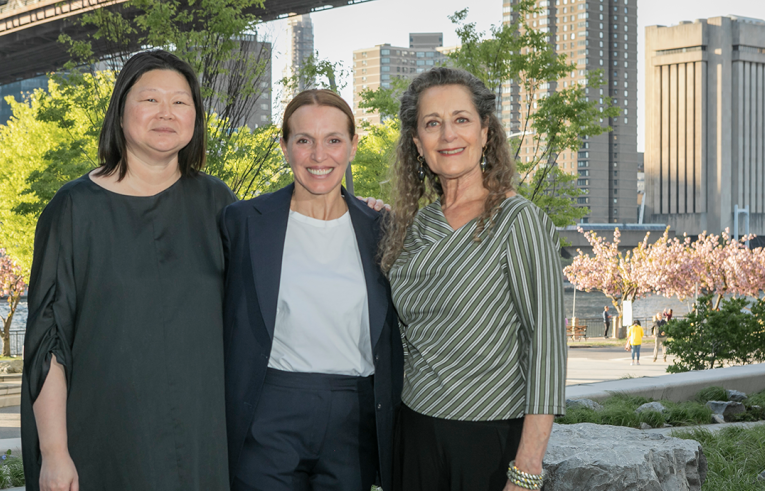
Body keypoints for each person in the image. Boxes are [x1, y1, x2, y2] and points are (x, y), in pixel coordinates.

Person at [21, 50, 237, 491]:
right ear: (120, 112)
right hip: (104, 441)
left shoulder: (219, 204)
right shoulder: (74, 208)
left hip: (204, 442)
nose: (166, 113)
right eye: (150, 100)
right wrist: (55, 454)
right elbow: (49, 343)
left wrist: (358, 212)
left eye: (181, 102)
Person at [381, 67, 566, 491]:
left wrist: (527, 468)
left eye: (461, 119)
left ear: (486, 132)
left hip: (490, 439)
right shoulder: (412, 226)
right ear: (417, 143)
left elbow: (547, 348)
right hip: (414, 435)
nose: (448, 135)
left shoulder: (519, 220)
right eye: (432, 123)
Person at [220, 89, 402, 491]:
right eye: (304, 140)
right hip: (269, 413)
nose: (319, 156)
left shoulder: (382, 229)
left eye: (333, 140)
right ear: (285, 146)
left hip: (353, 419)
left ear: (353, 146)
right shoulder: (244, 222)